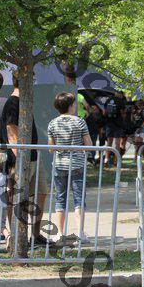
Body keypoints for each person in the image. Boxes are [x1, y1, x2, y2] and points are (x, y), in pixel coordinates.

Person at [0, 70, 49, 248]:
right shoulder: (12, 103)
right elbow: (12, 135)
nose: (33, 82)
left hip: (34, 156)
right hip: (21, 159)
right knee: (17, 197)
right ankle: (16, 236)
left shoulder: (24, 101)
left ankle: (35, 235)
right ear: (22, 80)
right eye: (32, 78)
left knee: (41, 193)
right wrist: (20, 161)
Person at [47, 93, 92, 244]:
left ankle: (60, 233)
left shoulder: (52, 123)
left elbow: (51, 148)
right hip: (77, 163)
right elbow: (88, 144)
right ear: (72, 105)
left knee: (60, 198)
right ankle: (80, 233)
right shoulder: (80, 122)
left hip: (59, 164)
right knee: (79, 199)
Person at [103, 91, 126, 165]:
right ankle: (116, 161)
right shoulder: (120, 101)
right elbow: (123, 113)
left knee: (109, 142)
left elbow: (104, 112)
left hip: (109, 124)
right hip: (118, 124)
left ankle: (106, 159)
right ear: (120, 94)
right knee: (117, 143)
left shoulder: (108, 100)